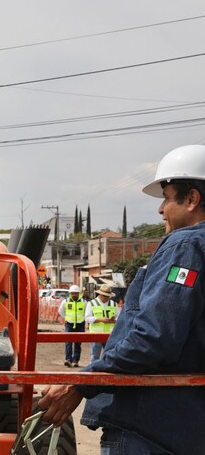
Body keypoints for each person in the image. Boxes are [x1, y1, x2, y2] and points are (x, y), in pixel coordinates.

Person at [39, 144, 205, 454]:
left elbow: (153, 338)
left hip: (150, 428)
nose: (160, 210)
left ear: (192, 199)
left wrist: (80, 383)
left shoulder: (185, 246)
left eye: (167, 199)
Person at [84, 284, 119, 362]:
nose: (107, 298)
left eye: (108, 296)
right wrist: (100, 319)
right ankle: (93, 371)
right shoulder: (92, 303)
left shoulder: (114, 304)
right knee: (94, 356)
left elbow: (119, 318)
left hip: (109, 335)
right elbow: (87, 318)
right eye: (105, 296)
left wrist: (114, 320)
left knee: (109, 356)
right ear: (100, 294)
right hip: (96, 334)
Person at [57, 284, 85, 367]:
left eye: (76, 293)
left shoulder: (84, 302)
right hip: (69, 324)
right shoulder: (65, 302)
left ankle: (76, 360)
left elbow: (86, 313)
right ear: (70, 293)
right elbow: (61, 311)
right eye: (73, 293)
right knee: (68, 343)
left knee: (78, 344)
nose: (74, 295)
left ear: (79, 293)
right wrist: (66, 318)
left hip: (80, 325)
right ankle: (68, 359)